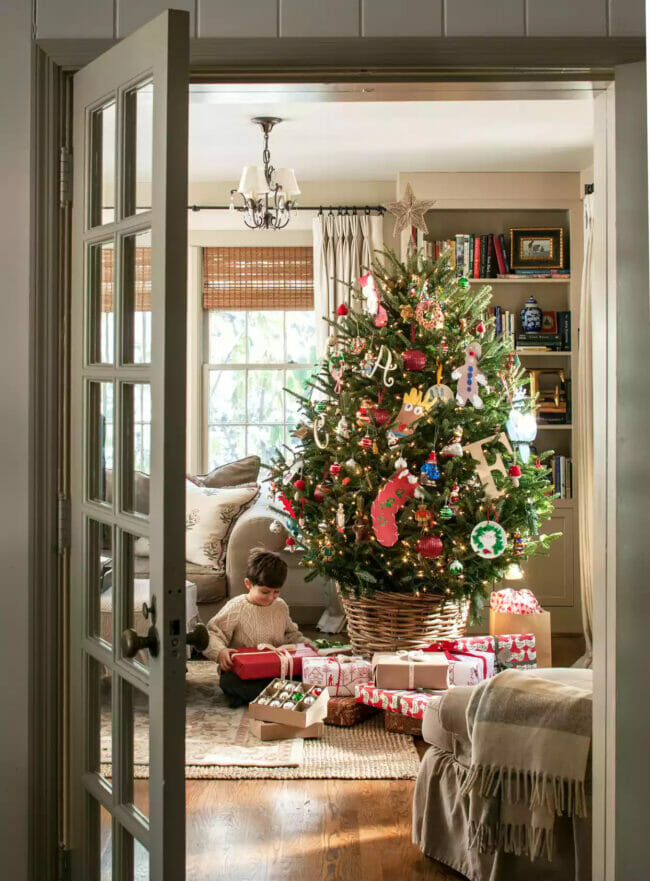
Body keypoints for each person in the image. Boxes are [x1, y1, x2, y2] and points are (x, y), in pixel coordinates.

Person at [203, 547, 307, 707]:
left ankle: (261, 696)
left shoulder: (280, 606)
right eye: (265, 592)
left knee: (305, 674)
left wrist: (307, 646)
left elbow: (291, 633)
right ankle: (276, 695)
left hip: (274, 668)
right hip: (242, 671)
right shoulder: (236, 607)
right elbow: (213, 633)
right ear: (248, 584)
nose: (271, 597)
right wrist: (220, 652)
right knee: (229, 681)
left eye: (276, 592)